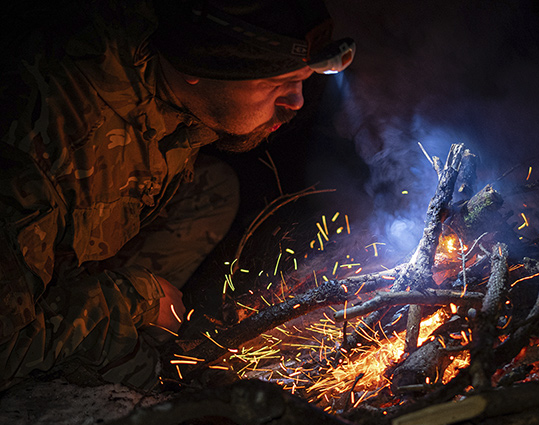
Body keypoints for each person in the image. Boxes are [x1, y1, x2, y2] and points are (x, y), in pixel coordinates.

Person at [0, 0, 354, 391]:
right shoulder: (39, 139)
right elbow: (5, 346)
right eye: (276, 82)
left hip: (61, 249)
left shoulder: (166, 90)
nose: (297, 100)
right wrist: (138, 299)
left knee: (213, 189)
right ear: (201, 64)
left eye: (301, 80)